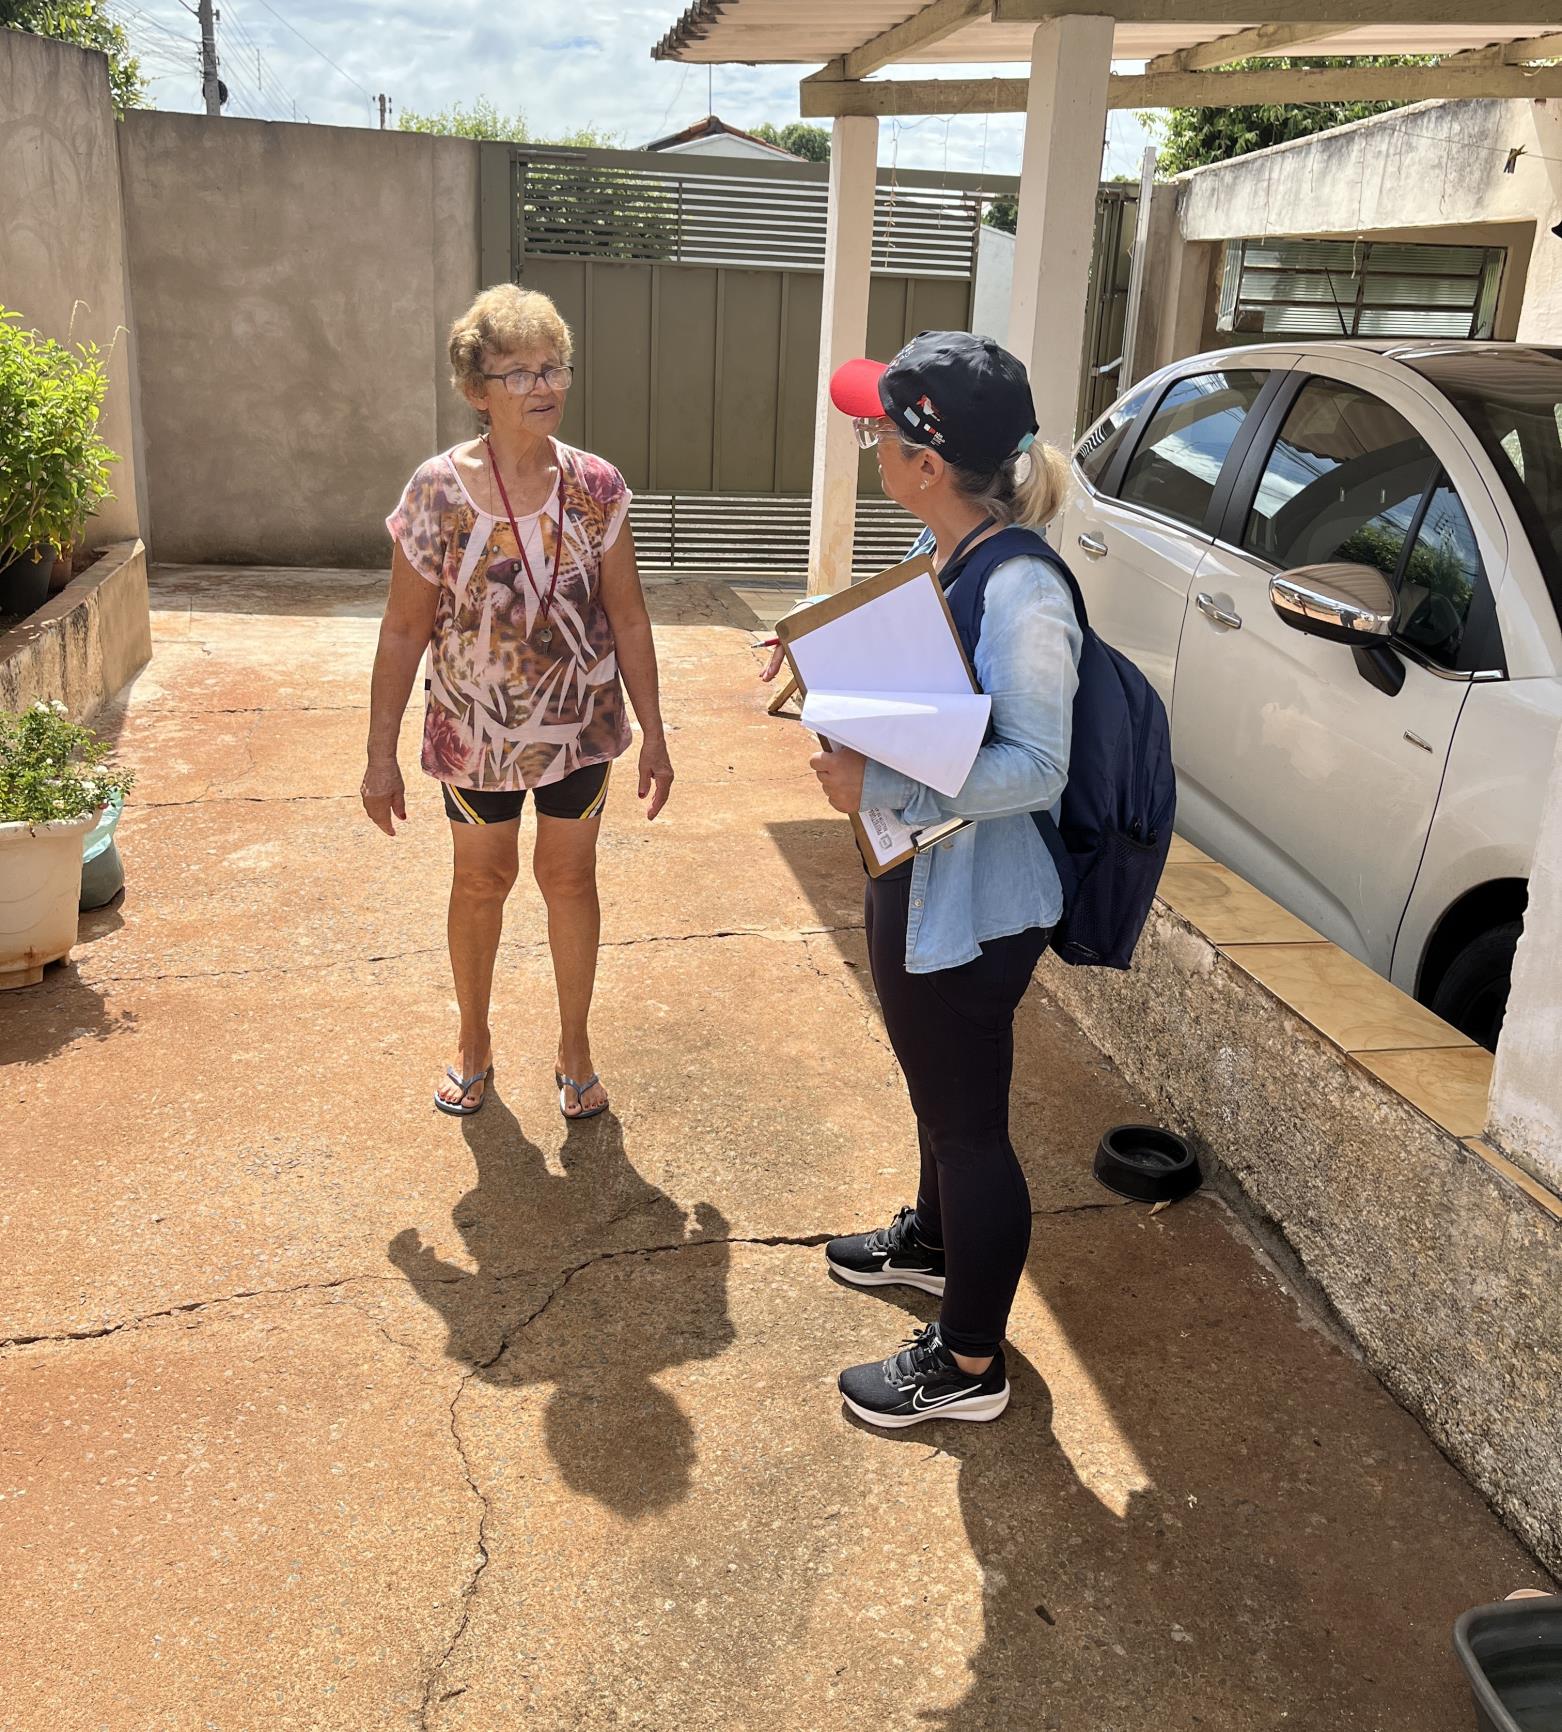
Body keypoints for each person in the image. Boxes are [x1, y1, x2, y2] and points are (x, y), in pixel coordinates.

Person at [766, 331, 1080, 1429]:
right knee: (938, 1097)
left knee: (969, 1126)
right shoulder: (945, 543)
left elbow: (1037, 766)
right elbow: (913, 650)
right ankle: (936, 1243)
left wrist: (879, 778)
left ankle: (970, 1360)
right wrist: (816, 649)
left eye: (881, 436)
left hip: (976, 902)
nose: (873, 450)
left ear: (928, 463)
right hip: (919, 868)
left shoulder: (1023, 590)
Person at [363, 284, 673, 1120]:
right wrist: (379, 755)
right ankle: (474, 1040)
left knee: (570, 878)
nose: (545, 386)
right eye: (521, 373)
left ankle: (575, 1045)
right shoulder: (436, 491)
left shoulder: (597, 486)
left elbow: (628, 614)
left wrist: (654, 732)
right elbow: (403, 629)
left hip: (581, 728)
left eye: (555, 368)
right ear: (477, 390)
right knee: (481, 880)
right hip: (475, 733)